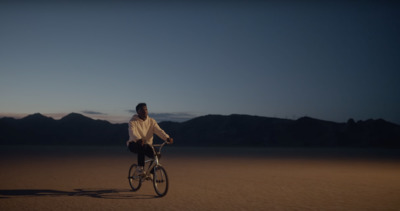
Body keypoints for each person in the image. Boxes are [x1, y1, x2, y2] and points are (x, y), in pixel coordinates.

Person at [127, 103, 173, 175]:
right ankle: (140, 168)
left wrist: (167, 138)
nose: (145, 111)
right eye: (142, 110)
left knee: (157, 154)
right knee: (141, 147)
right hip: (134, 144)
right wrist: (138, 139)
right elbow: (132, 132)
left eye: (146, 109)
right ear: (137, 112)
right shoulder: (133, 121)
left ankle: (150, 172)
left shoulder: (151, 121)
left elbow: (159, 131)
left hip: (147, 145)